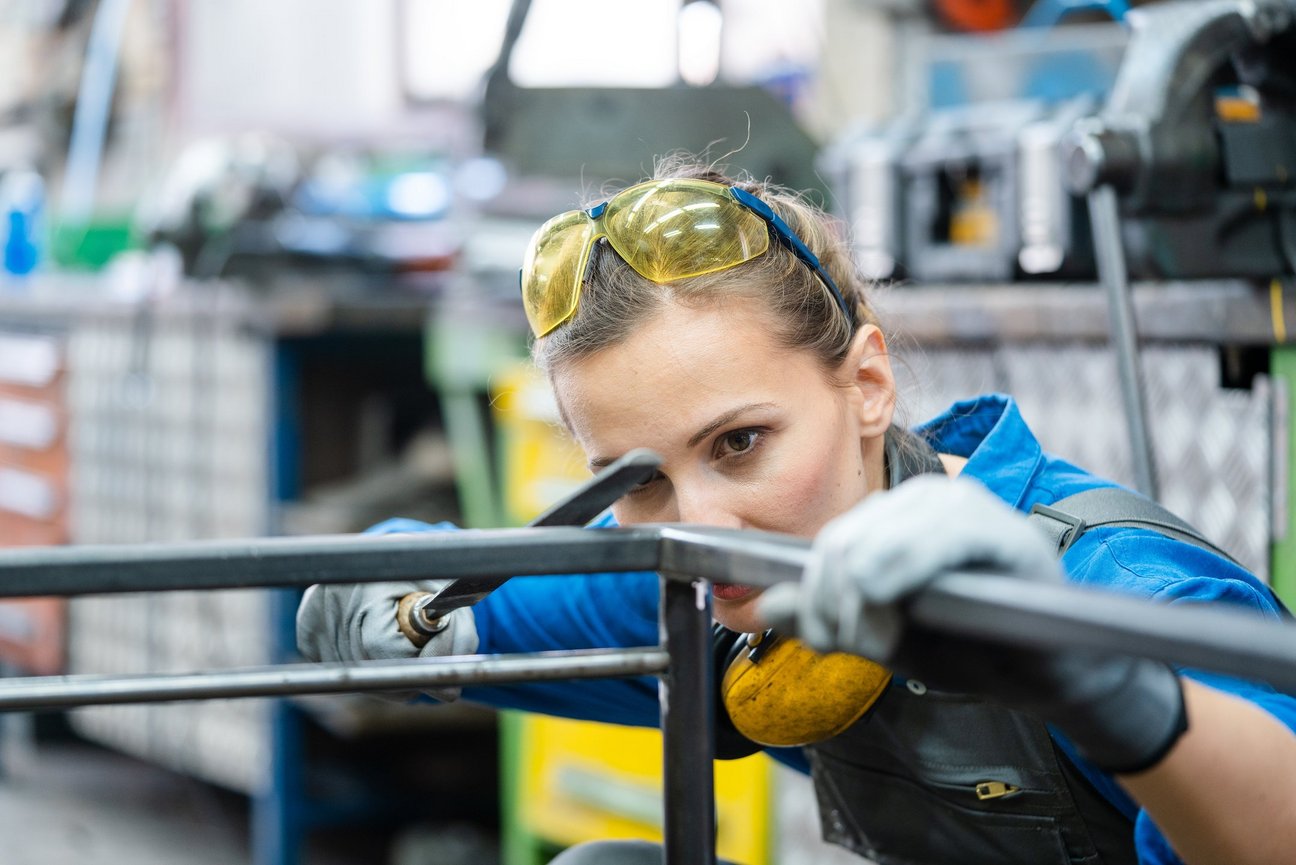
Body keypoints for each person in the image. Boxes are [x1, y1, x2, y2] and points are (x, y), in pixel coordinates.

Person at [297, 158, 1296, 865]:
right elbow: (455, 583)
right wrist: (383, 586)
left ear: (867, 384)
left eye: (740, 443)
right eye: (637, 477)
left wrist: (1100, 682)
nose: (701, 523)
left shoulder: (1115, 586)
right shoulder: (711, 570)